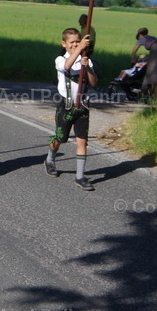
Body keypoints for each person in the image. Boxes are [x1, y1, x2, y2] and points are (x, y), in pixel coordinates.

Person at [46, 28, 98, 191]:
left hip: (82, 105)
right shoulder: (60, 59)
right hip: (66, 105)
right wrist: (80, 49)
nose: (75, 44)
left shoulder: (86, 60)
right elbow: (67, 66)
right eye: (72, 42)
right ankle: (50, 159)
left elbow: (94, 83)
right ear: (64, 44)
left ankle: (80, 176)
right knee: (60, 138)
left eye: (78, 41)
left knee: (82, 140)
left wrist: (87, 68)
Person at [130, 27, 157, 101]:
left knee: (155, 77)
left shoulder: (142, 38)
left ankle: (155, 99)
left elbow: (133, 52)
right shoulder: (153, 38)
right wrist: (145, 57)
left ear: (140, 35)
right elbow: (155, 50)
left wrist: (133, 60)